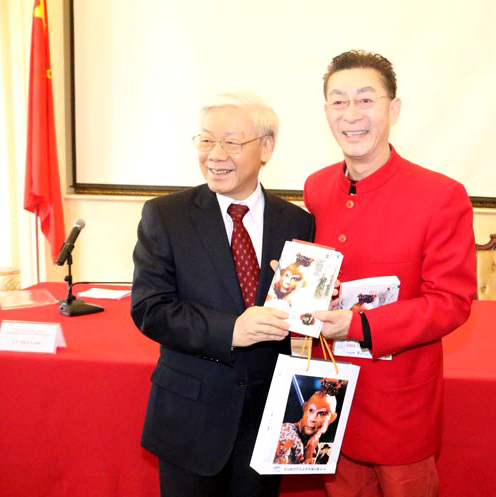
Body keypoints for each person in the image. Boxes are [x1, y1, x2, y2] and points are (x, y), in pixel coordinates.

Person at [304, 50, 477, 497]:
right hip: (327, 396)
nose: (351, 114)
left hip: (399, 404)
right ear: (326, 112)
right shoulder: (317, 187)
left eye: (366, 100)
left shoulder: (440, 195)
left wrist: (358, 325)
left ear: (393, 109)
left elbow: (451, 303)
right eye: (339, 101)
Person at [131, 91, 315, 497]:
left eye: (231, 143)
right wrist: (230, 329)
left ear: (265, 148)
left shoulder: (297, 222)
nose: (215, 155)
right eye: (206, 140)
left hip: (267, 418)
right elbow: (150, 309)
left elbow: (299, 313)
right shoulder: (166, 215)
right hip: (191, 418)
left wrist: (320, 302)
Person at [274, 378, 340, 465]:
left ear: (332, 418)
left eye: (321, 413)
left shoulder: (313, 440)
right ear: (305, 408)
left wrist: (316, 435)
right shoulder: (290, 437)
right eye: (311, 410)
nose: (312, 419)